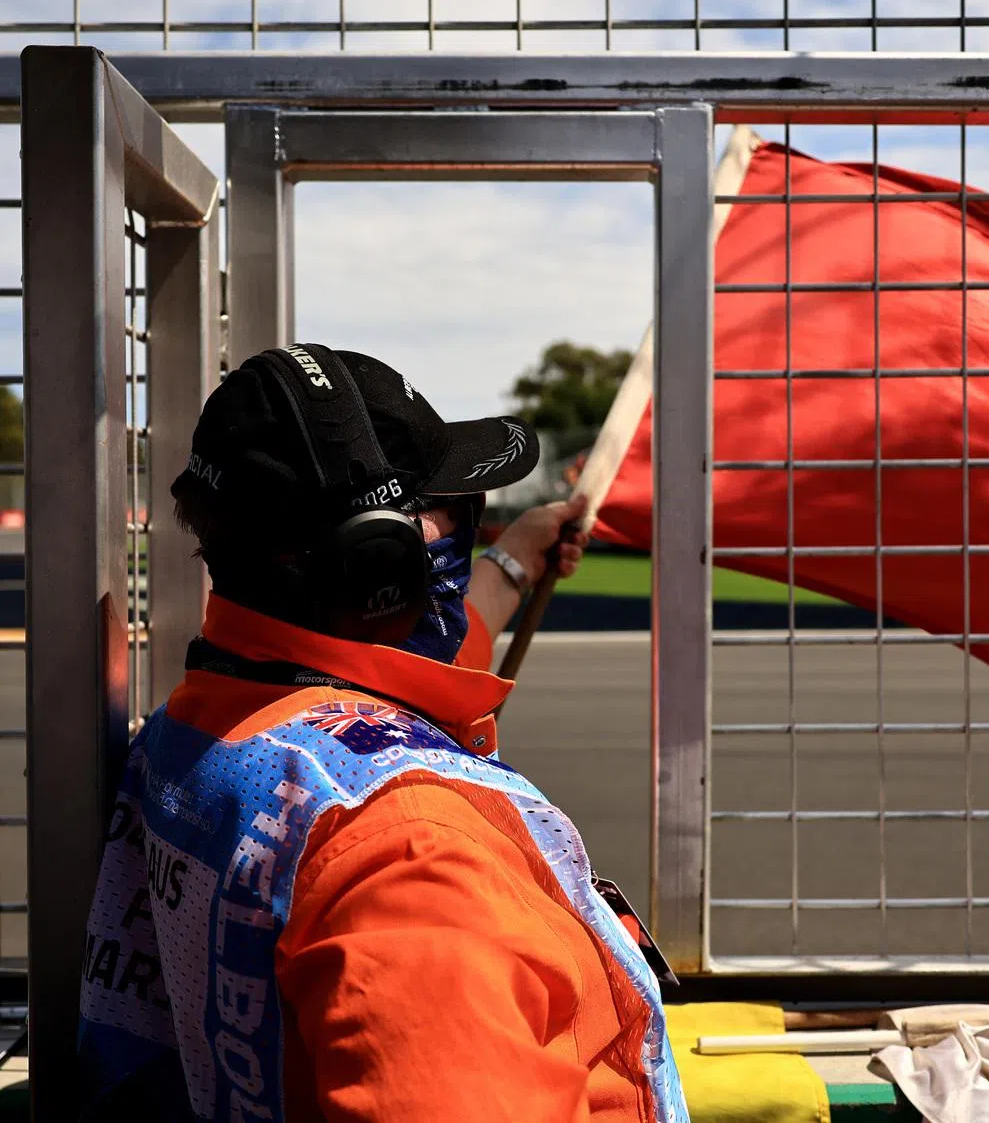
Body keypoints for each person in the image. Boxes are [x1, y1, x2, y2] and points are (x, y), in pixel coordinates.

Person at [76, 344, 688, 1122]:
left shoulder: (208, 718)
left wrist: (513, 557)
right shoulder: (412, 858)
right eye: (454, 508)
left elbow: (389, 677)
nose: (471, 525)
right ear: (376, 560)